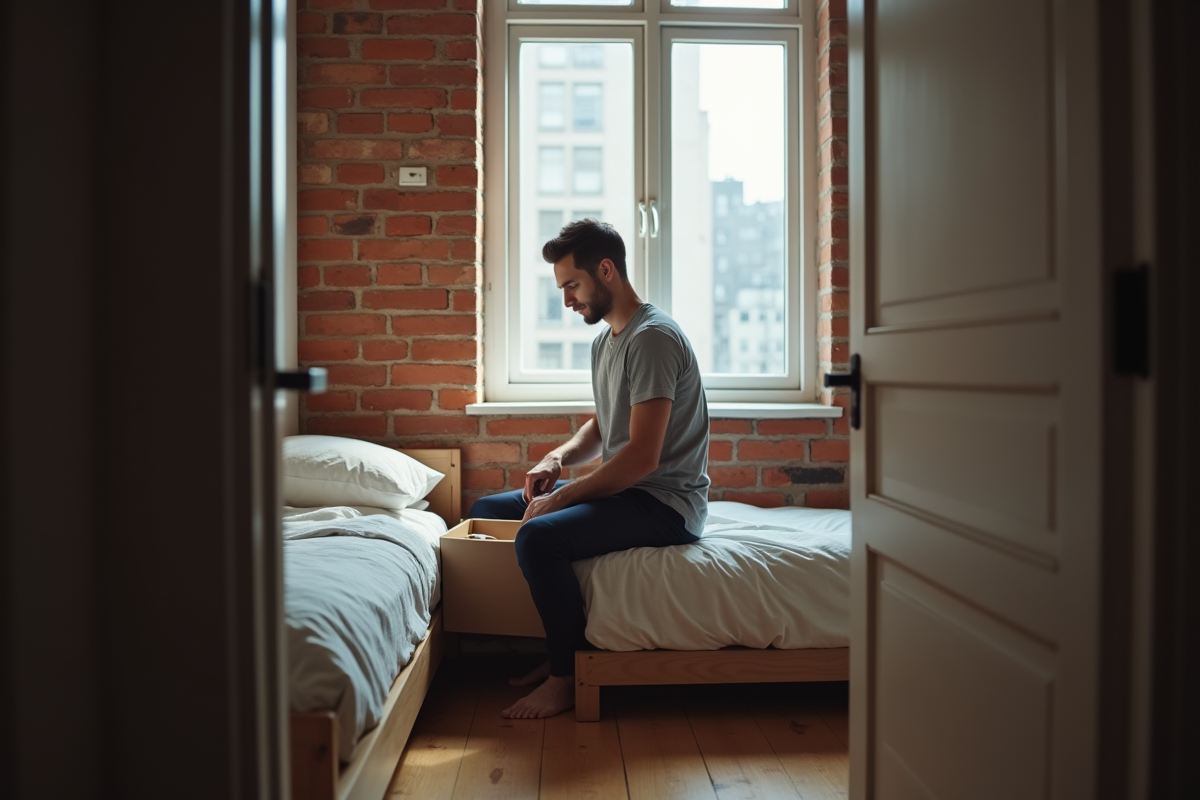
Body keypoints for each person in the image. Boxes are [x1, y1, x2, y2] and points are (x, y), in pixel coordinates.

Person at [469, 219, 711, 719]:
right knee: (487, 510)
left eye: (572, 285)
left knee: (538, 536)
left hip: (665, 503)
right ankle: (557, 649)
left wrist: (561, 497)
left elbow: (643, 457)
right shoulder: (608, 340)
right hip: (630, 492)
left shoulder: (653, 339)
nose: (567, 301)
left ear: (606, 271)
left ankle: (565, 677)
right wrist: (557, 459)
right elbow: (604, 426)